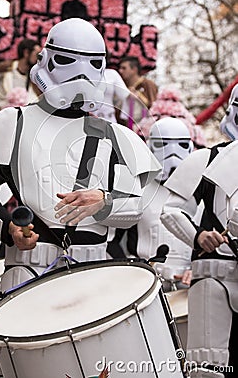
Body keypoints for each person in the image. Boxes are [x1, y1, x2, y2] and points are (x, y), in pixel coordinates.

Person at [0, 18, 161, 292]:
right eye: (68, 61)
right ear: (47, 61)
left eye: (92, 64)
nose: (79, 75)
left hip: (92, 270)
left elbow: (136, 206)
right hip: (28, 266)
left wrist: (104, 201)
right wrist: (9, 228)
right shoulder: (12, 121)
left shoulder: (114, 135)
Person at [160, 92, 238, 378]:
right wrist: (198, 236)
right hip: (215, 275)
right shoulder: (206, 159)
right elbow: (171, 210)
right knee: (208, 369)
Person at [107, 117, 193, 289]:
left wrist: (198, 269)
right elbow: (112, 241)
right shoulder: (136, 188)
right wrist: (133, 269)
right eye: (163, 144)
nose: (172, 153)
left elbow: (213, 239)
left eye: (181, 144)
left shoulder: (200, 191)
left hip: (189, 285)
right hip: (144, 285)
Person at [0, 38, 42, 121]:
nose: (38, 58)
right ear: (26, 53)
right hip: (3, 117)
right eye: (37, 54)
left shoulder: (34, 77)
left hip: (25, 119)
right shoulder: (7, 68)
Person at [118, 56, 158, 128]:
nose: (120, 71)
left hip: (144, 129)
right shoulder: (123, 85)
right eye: (120, 68)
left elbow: (154, 106)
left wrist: (139, 95)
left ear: (134, 69)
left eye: (124, 68)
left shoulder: (148, 84)